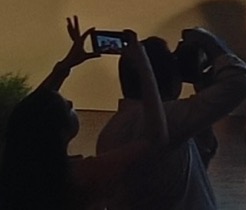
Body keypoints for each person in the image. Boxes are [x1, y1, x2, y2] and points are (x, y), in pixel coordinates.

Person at [0, 18, 169, 210]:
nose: (72, 103)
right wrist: (144, 65)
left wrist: (65, 66)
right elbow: (155, 139)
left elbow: (30, 116)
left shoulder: (16, 172)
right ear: (61, 133)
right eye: (68, 107)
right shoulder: (82, 174)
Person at [97, 29, 246, 210]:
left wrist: (203, 93)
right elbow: (240, 82)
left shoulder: (118, 127)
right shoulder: (160, 120)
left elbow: (193, 164)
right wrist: (209, 40)